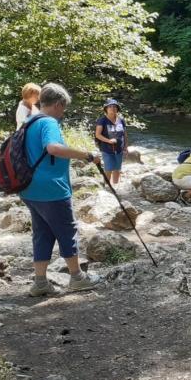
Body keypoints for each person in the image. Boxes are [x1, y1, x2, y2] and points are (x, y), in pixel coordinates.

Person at [21, 83, 103, 296]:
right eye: (63, 107)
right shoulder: (48, 122)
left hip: (29, 188)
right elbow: (53, 148)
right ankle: (77, 278)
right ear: (57, 104)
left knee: (42, 233)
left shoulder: (30, 121)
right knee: (67, 231)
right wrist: (86, 155)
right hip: (52, 189)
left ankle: (40, 282)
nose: (63, 112)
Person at [94, 98, 129, 185]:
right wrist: (108, 141)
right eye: (110, 107)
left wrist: (126, 147)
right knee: (109, 168)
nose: (112, 108)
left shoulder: (121, 120)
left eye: (114, 107)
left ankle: (116, 186)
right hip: (107, 149)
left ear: (117, 109)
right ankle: (107, 187)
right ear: (106, 109)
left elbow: (124, 135)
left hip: (119, 149)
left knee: (117, 168)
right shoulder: (102, 120)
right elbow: (97, 135)